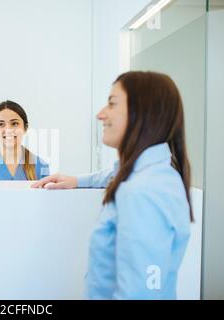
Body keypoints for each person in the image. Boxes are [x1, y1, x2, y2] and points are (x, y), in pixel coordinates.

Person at [32, 71, 192, 299]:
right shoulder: (155, 174)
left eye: (112, 104)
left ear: (143, 112)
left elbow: (139, 294)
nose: (100, 114)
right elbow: (113, 175)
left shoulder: (141, 192)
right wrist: (77, 181)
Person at [0, 100, 49, 180]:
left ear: (25, 128)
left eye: (14, 123)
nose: (8, 129)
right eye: (1, 124)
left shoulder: (41, 166)